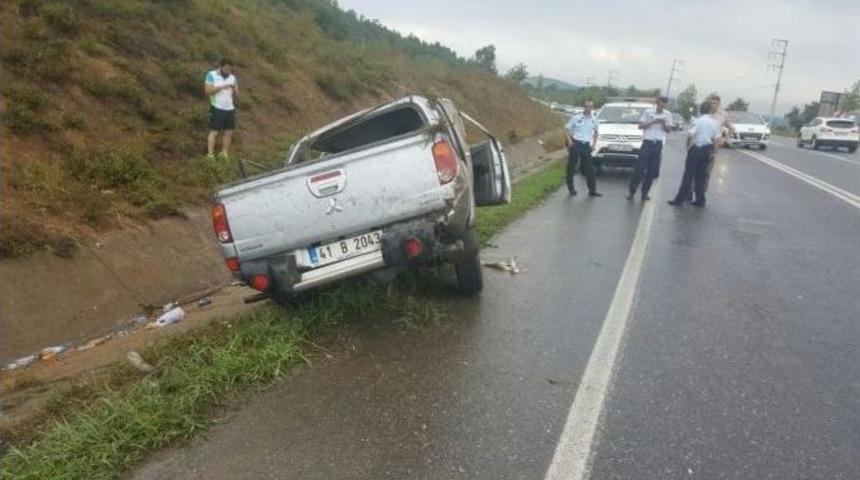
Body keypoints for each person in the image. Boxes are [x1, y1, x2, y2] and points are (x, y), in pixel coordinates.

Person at [668, 101, 725, 207]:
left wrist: (687, 146)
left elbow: (690, 134)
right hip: (707, 149)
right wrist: (714, 153)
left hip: (695, 148)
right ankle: (700, 200)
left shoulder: (697, 121)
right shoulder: (715, 123)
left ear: (700, 110)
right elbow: (717, 140)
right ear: (709, 110)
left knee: (688, 175)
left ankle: (679, 200)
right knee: (701, 176)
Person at [628, 96, 672, 201]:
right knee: (640, 168)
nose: (662, 105)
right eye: (661, 103)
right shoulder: (648, 112)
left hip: (658, 143)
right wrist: (652, 122)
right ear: (657, 103)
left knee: (651, 170)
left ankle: (645, 193)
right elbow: (640, 126)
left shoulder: (668, 114)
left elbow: (668, 130)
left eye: (664, 103)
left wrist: (663, 123)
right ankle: (632, 191)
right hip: (648, 142)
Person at [564, 100, 602, 197]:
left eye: (590, 107)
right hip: (576, 143)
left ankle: (592, 190)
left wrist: (593, 144)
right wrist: (569, 140)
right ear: (583, 107)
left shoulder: (594, 119)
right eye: (586, 106)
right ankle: (571, 188)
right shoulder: (576, 118)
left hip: (586, 145)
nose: (588, 108)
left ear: (592, 108)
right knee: (571, 167)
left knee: (590, 169)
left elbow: (596, 132)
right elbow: (566, 129)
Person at [204, 58, 239, 159]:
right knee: (214, 132)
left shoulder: (233, 78)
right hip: (216, 107)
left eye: (230, 69)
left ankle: (224, 153)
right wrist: (222, 87)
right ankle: (210, 155)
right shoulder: (211, 75)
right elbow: (207, 91)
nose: (228, 71)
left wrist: (234, 90)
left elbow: (237, 94)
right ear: (220, 67)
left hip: (230, 108)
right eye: (226, 69)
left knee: (229, 132)